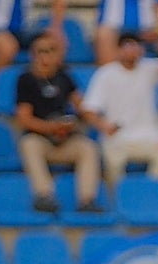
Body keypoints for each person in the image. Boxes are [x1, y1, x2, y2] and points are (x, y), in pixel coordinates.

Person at [15, 31, 103, 214]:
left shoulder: (64, 76)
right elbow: (24, 119)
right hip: (41, 140)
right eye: (41, 51)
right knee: (28, 145)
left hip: (65, 140)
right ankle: (44, 195)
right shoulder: (26, 80)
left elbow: (81, 105)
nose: (45, 56)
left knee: (88, 148)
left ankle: (87, 199)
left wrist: (97, 123)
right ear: (33, 55)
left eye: (50, 51)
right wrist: (51, 127)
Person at [81, 31, 158, 186]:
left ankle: (151, 195)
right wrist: (103, 125)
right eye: (127, 46)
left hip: (149, 135)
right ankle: (118, 200)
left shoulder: (149, 68)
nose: (132, 50)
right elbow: (89, 110)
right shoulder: (106, 74)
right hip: (118, 137)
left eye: (136, 46)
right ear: (118, 50)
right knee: (113, 160)